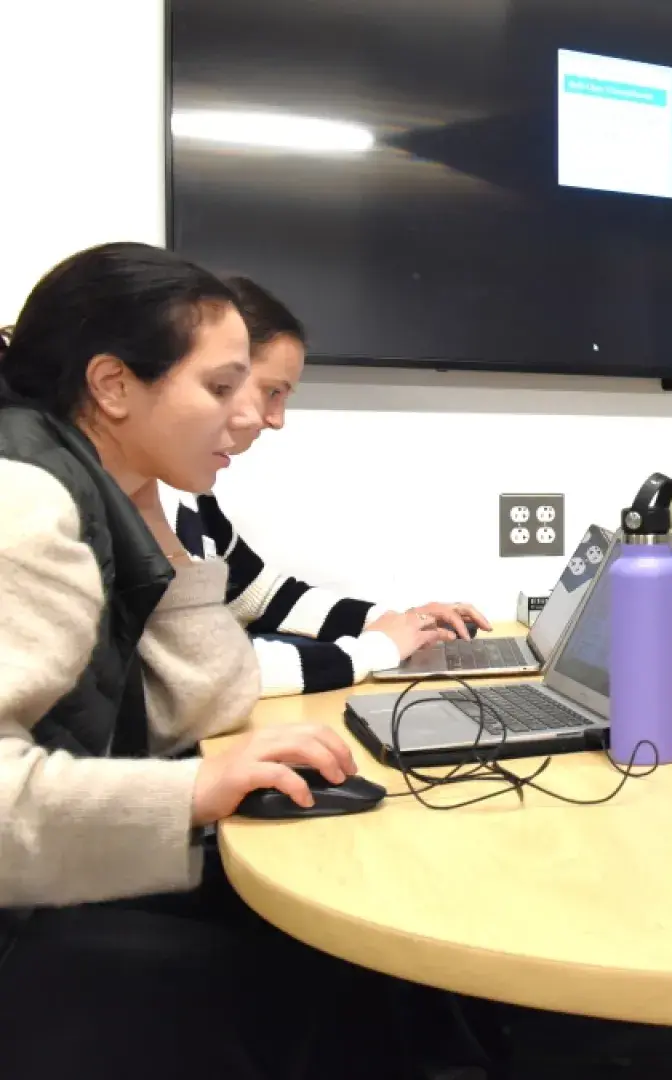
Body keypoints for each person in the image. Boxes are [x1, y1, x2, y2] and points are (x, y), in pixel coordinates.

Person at [0, 242, 415, 1076]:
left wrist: (148, 498)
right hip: (20, 928)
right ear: (113, 386)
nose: (253, 418)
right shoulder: (29, 502)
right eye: (223, 387)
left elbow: (208, 696)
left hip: (37, 889)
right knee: (322, 962)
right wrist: (194, 788)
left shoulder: (95, 482)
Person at [161, 275, 491, 697]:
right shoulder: (142, 502)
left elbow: (257, 594)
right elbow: (207, 673)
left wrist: (394, 622)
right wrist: (376, 649)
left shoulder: (187, 498)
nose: (276, 419)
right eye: (270, 392)